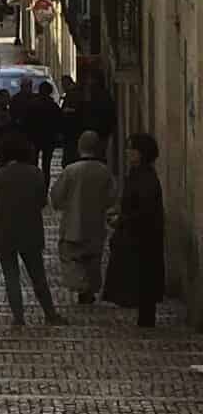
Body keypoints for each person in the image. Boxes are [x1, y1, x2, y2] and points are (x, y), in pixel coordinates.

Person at [0, 129, 63, 328]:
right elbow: (41, 202)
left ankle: (19, 318)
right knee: (38, 275)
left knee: (11, 277)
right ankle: (50, 314)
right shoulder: (36, 174)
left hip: (4, 232)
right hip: (30, 230)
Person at [103, 133, 166, 329]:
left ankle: (147, 321)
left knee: (144, 278)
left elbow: (144, 210)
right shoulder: (138, 175)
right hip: (138, 235)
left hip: (143, 238)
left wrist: (121, 219)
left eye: (131, 149)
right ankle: (145, 319)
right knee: (142, 279)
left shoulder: (145, 178)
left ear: (142, 152)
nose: (127, 152)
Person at [49, 130, 115, 303]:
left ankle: (83, 287)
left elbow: (56, 196)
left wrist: (63, 205)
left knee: (72, 259)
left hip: (73, 224)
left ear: (79, 147)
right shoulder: (104, 171)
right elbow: (111, 198)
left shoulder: (70, 171)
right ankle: (89, 291)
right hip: (95, 225)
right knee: (93, 261)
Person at [27, 80, 64, 193]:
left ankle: (34, 185)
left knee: (33, 163)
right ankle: (44, 188)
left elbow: (28, 121)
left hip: (35, 138)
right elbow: (59, 122)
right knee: (46, 165)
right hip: (48, 139)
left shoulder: (33, 104)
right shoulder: (53, 106)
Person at [59, 75, 81, 166]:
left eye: (63, 85)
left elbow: (76, 110)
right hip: (71, 130)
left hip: (71, 129)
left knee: (70, 152)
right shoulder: (71, 93)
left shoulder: (73, 94)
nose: (62, 87)